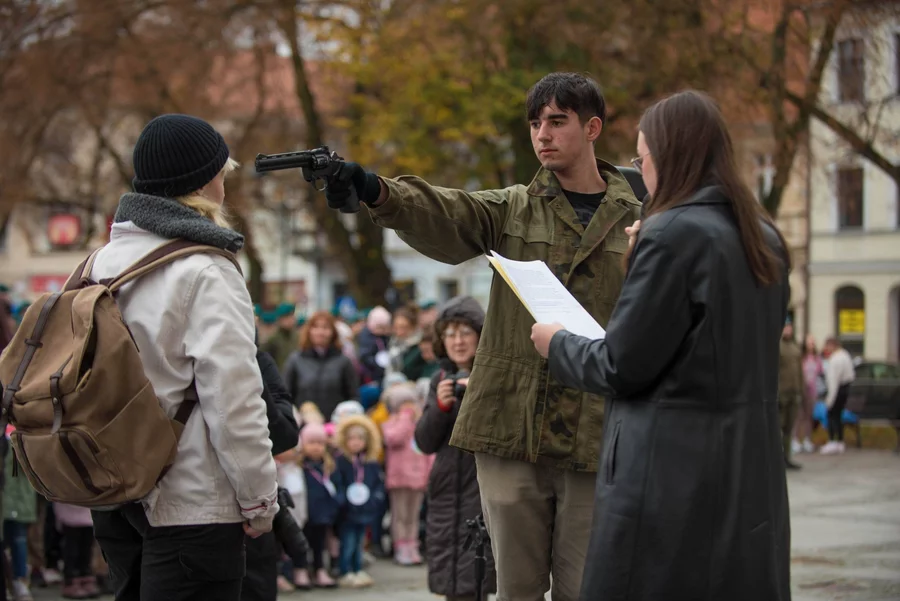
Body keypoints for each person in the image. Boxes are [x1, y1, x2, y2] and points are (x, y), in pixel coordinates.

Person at [322, 72, 642, 601]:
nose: (542, 134)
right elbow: (448, 212)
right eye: (535, 123)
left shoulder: (637, 218)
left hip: (597, 428)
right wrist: (376, 189)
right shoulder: (514, 207)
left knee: (588, 588)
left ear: (592, 128)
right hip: (510, 427)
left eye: (557, 122)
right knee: (515, 588)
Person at [531, 90, 791, 601]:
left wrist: (556, 343)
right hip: (748, 471)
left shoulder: (671, 233)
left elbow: (621, 365)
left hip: (668, 477)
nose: (639, 169)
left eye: (640, 158)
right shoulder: (763, 236)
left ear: (666, 157)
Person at [88, 114, 279, 601]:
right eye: (221, 170)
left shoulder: (100, 263)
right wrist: (259, 501)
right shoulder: (204, 269)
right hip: (192, 501)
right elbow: (234, 398)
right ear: (201, 182)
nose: (225, 179)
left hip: (114, 490)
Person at [415, 296, 497, 601]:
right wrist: (440, 406)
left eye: (465, 333)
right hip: (446, 488)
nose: (457, 341)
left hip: (481, 486)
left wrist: (473, 394)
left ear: (480, 334)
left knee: (476, 573)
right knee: (450, 579)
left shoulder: (493, 376)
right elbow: (424, 442)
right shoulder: (439, 379)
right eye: (449, 334)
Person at [381, 382, 433, 566]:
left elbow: (427, 450)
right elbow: (393, 439)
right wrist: (404, 418)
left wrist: (429, 473)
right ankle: (400, 546)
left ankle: (413, 545)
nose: (408, 407)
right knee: (400, 515)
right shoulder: (392, 422)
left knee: (413, 516)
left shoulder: (419, 423)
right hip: (399, 478)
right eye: (403, 403)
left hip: (418, 478)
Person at [334, 415, 385, 589]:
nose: (355, 442)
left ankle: (357, 569)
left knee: (360, 542)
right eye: (351, 439)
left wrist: (374, 501)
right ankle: (345, 571)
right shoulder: (341, 461)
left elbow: (377, 484)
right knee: (347, 542)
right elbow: (337, 483)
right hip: (347, 512)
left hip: (365, 511)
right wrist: (342, 501)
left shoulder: (370, 463)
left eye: (360, 438)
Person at [283, 310, 360, 418]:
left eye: (325, 328)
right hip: (303, 424)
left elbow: (353, 396)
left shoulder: (343, 361)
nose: (320, 332)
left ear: (333, 332)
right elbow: (285, 395)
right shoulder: (296, 360)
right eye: (316, 327)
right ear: (309, 331)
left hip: (336, 424)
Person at [821, 336, 856, 455]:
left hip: (837, 390)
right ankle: (840, 441)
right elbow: (851, 375)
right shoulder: (845, 355)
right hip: (845, 389)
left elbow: (833, 382)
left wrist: (829, 400)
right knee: (839, 416)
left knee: (831, 415)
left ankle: (832, 441)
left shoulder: (835, 359)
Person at [778, 319, 804, 470]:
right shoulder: (778, 347)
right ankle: (778, 458)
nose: (788, 331)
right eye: (785, 327)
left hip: (794, 393)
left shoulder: (795, 348)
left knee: (789, 428)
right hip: (782, 393)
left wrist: (801, 390)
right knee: (779, 427)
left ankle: (787, 457)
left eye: (789, 328)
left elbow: (800, 372)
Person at [796, 335, 824, 453]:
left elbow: (821, 373)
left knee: (809, 417)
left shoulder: (816, 359)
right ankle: (795, 440)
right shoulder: (801, 358)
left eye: (813, 342)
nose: (811, 345)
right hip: (800, 390)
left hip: (812, 391)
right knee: (799, 417)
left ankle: (807, 440)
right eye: (809, 342)